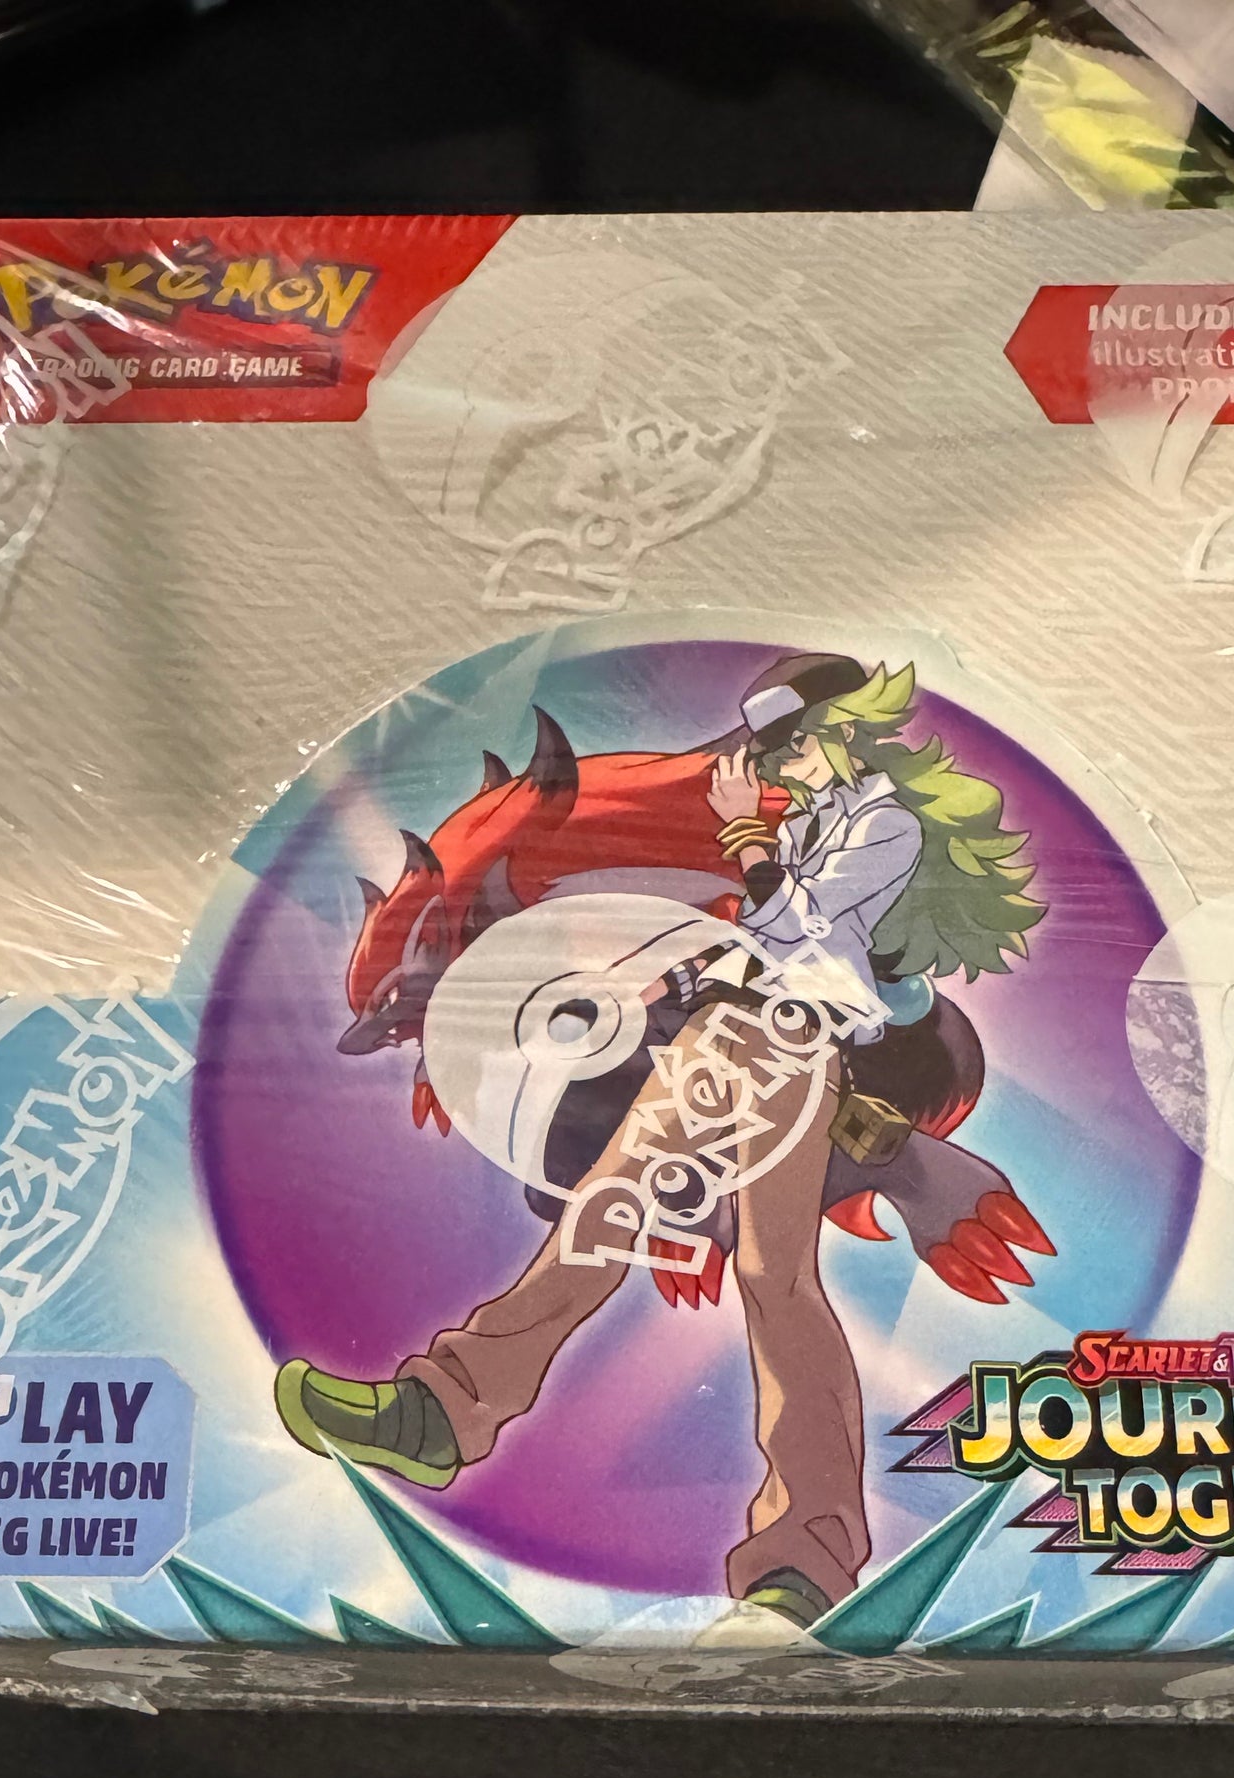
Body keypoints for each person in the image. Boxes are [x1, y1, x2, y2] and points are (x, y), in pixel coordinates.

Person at [275, 651, 1045, 1626]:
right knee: (602, 1217)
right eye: (780, 749)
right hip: (724, 1029)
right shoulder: (817, 822)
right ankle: (443, 1411)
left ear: (839, 737)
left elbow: (798, 927)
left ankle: (806, 1555)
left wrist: (743, 835)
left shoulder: (881, 826)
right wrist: (668, 982)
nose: (783, 763)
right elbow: (749, 938)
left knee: (774, 1278)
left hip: (792, 1041)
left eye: (795, 745)